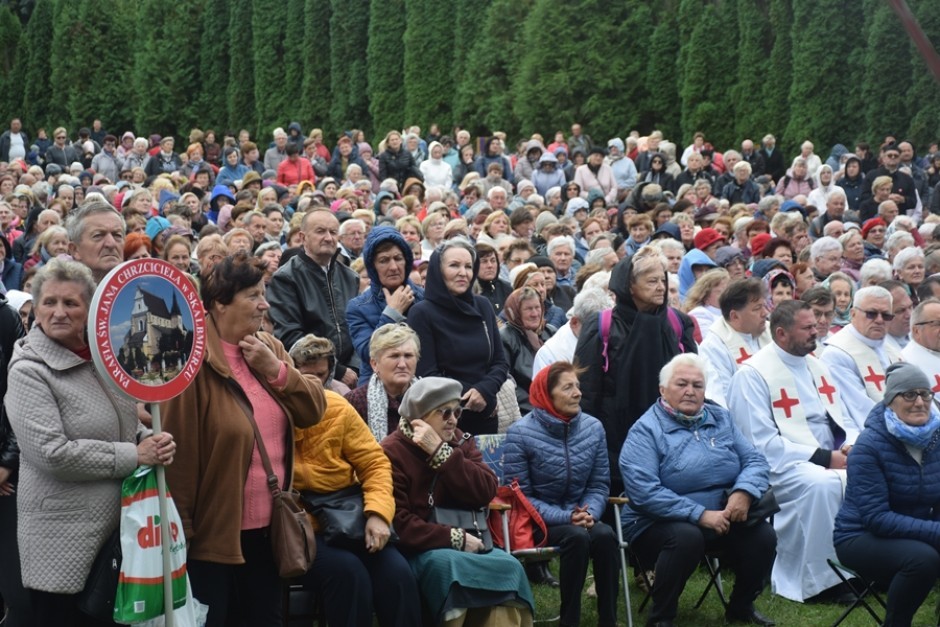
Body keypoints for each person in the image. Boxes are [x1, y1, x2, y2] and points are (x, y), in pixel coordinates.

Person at [6, 259, 175, 625]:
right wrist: (135, 453)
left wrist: (150, 440)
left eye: (71, 303)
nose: (60, 312)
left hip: (116, 533)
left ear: (90, 310)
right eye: (49, 302)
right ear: (34, 309)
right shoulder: (28, 370)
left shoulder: (105, 360)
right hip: (62, 540)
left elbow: (123, 425)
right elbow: (52, 453)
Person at [162, 252, 326, 627]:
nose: (264, 304)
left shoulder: (270, 348)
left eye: (263, 292)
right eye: (253, 295)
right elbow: (181, 456)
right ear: (220, 303)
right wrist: (182, 534)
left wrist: (277, 371)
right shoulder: (190, 360)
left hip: (270, 534)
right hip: (213, 537)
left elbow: (313, 410)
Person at [620, 354, 776, 627]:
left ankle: (741, 607)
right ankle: (662, 618)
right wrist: (699, 514)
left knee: (763, 536)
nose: (690, 391)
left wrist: (744, 492)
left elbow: (755, 460)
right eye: (681, 384)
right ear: (663, 390)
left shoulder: (721, 418)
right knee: (686, 537)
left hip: (723, 515)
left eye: (697, 385)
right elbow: (644, 492)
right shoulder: (645, 430)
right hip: (654, 522)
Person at [728, 300, 858, 603]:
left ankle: (864, 569)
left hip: (830, 455)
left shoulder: (817, 364)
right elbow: (759, 444)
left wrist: (848, 445)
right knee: (823, 485)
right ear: (782, 333)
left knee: (865, 475)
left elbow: (843, 417)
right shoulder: (752, 374)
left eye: (816, 325)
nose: (817, 331)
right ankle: (823, 582)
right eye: (808, 327)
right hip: (779, 469)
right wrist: (826, 458)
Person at [381, 376, 534, 626]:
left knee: (509, 567)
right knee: (450, 569)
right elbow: (399, 522)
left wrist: (443, 454)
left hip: (473, 540)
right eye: (444, 413)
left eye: (457, 411)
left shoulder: (460, 441)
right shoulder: (391, 451)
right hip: (422, 547)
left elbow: (485, 490)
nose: (453, 419)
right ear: (419, 417)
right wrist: (455, 539)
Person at [503, 362, 619, 627]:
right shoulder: (520, 433)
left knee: (605, 535)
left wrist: (589, 513)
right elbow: (521, 497)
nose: (578, 393)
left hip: (581, 516)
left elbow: (599, 484)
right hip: (537, 523)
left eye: (577, 386)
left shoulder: (593, 428)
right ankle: (570, 620)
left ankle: (609, 621)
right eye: (568, 387)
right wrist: (567, 517)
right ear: (547, 394)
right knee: (577, 537)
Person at [294, 390, 422, 627]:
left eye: (319, 375)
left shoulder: (335, 405)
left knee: (398, 575)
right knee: (348, 573)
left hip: (347, 514)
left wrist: (378, 514)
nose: (309, 383)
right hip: (301, 525)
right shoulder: (270, 409)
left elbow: (374, 463)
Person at [576, 248, 696, 494]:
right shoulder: (602, 326)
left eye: (663, 280)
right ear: (629, 286)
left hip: (673, 432)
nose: (661, 287)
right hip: (617, 437)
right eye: (652, 281)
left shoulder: (677, 322)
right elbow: (587, 390)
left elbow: (694, 375)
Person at [834, 362, 940, 627]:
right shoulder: (868, 448)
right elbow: (876, 518)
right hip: (861, 536)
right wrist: (936, 532)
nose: (919, 402)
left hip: (915, 530)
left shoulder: (936, 439)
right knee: (922, 560)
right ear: (890, 401)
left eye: (925, 394)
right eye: (908, 394)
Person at [407, 239, 509, 435]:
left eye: (469, 266)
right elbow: (427, 373)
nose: (463, 272)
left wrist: (485, 391)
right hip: (445, 418)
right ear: (438, 270)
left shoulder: (483, 305)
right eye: (454, 265)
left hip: (485, 413)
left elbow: (500, 362)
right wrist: (471, 396)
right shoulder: (422, 313)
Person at [268, 209, 361, 387]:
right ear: (303, 238)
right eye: (320, 231)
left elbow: (359, 327)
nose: (328, 238)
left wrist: (354, 368)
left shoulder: (350, 277)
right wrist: (338, 370)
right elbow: (290, 336)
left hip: (354, 373)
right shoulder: (286, 278)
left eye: (333, 232)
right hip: (311, 376)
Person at [347, 226, 424, 382]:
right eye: (384, 260)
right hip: (375, 385)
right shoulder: (358, 307)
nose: (393, 267)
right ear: (372, 266)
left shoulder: (425, 298)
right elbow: (368, 352)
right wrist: (392, 313)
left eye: (398, 258)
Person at [821, 286, 902, 433]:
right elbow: (860, 408)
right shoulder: (837, 354)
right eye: (871, 314)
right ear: (853, 314)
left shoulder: (892, 349)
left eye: (886, 316)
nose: (879, 320)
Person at [699, 278, 772, 407]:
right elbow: (719, 397)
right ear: (735, 316)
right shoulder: (713, 346)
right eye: (757, 308)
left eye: (764, 306)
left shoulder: (771, 332)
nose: (765, 313)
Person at [346, 323, 420, 441]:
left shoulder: (428, 398)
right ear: (374, 364)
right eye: (394, 356)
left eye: (408, 356)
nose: (402, 364)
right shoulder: (356, 401)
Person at [500, 287, 555, 414]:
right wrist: (539, 406)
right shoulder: (505, 338)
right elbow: (507, 383)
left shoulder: (550, 331)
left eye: (537, 307)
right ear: (516, 312)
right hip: (527, 409)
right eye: (528, 309)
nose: (535, 313)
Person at [65, 201, 125, 282]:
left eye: (117, 235)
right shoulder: (59, 292)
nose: (111, 243)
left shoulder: (140, 287)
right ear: (74, 249)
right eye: (98, 235)